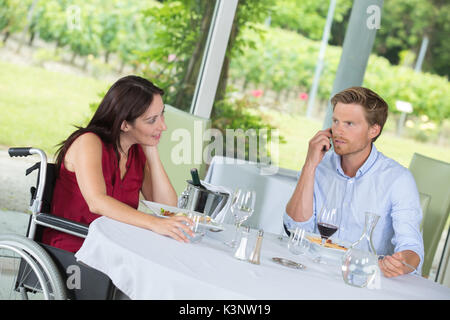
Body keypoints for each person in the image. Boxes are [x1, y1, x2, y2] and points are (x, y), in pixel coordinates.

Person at [42, 75, 194, 253]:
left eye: (162, 114)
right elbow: (97, 202)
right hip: (76, 245)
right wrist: (154, 223)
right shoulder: (89, 142)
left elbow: (166, 207)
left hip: (114, 246)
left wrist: (152, 152)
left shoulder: (136, 153)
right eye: (152, 120)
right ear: (124, 124)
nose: (163, 126)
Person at [284, 86, 424, 278]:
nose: (338, 131)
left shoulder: (398, 180)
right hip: (313, 271)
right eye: (335, 121)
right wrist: (309, 165)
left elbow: (412, 249)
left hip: (364, 281)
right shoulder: (320, 164)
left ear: (373, 130)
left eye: (349, 124)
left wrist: (402, 263)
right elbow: (296, 230)